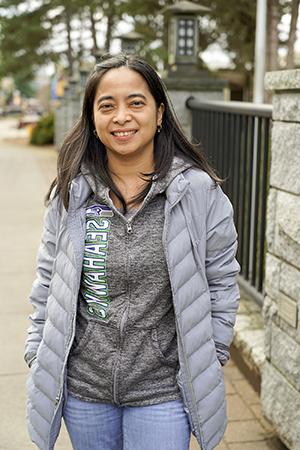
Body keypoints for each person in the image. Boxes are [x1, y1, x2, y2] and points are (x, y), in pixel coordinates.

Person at [24, 54, 240, 450]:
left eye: (136, 103)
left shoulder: (198, 193)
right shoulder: (73, 194)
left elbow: (221, 279)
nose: (121, 116)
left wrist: (216, 349)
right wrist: (37, 350)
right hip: (84, 389)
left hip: (163, 391)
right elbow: (48, 277)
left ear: (159, 113)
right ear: (92, 119)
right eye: (107, 106)